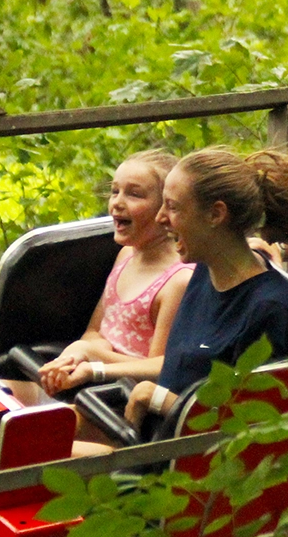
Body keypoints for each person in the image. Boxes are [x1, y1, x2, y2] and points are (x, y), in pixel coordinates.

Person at [53, 141, 288, 433]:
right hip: (152, 434)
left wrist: (154, 398)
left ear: (216, 214)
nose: (161, 218)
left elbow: (248, 427)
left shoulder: (266, 309)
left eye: (173, 207)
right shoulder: (204, 272)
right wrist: (100, 374)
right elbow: (175, 369)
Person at [12, 150, 193, 405]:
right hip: (88, 383)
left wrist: (95, 358)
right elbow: (95, 331)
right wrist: (77, 354)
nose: (117, 202)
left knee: (19, 431)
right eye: (115, 191)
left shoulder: (177, 281)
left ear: (167, 208)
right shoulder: (126, 256)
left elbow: (160, 369)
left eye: (134, 194)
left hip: (117, 400)